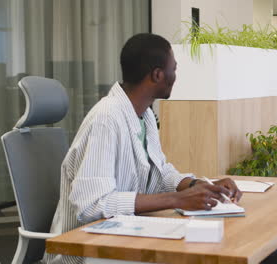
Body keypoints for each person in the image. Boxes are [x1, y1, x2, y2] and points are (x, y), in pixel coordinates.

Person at [45, 33, 242, 263]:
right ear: (158, 74)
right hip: (88, 251)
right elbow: (93, 205)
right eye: (174, 69)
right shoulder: (106, 119)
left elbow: (160, 172)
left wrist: (198, 185)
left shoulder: (144, 114)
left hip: (124, 238)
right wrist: (176, 200)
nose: (175, 77)